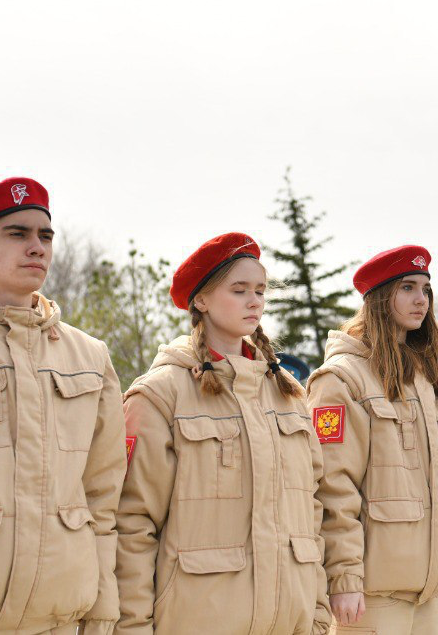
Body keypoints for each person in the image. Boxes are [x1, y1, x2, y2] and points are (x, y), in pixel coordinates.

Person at [0, 177, 125, 634]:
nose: (37, 246)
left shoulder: (89, 357)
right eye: (18, 234)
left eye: (45, 235)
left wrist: (103, 616)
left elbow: (103, 498)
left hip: (57, 622)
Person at [115, 232, 328, 633]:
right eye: (239, 289)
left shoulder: (287, 394)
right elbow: (134, 525)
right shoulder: (162, 394)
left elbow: (311, 513)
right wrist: (132, 627)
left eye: (261, 291)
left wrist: (316, 613)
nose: (254, 301)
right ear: (202, 300)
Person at [306, 246, 438, 633]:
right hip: (372, 594)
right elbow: (334, 490)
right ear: (378, 299)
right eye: (407, 287)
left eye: (425, 289)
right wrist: (345, 579)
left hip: (432, 590)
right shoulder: (341, 379)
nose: (420, 299)